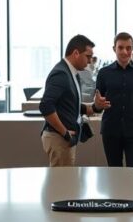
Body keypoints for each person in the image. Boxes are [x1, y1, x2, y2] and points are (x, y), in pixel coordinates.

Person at [95, 32, 133, 167]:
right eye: (120, 47)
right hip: (111, 131)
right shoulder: (104, 73)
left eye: (128, 48)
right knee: (114, 172)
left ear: (132, 49)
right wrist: (97, 105)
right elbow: (98, 104)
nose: (125, 51)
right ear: (114, 49)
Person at [40, 35, 98, 167]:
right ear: (76, 53)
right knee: (61, 185)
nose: (89, 61)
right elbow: (45, 106)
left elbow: (72, 105)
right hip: (59, 139)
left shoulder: (72, 73)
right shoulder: (61, 73)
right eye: (88, 56)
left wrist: (95, 107)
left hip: (64, 139)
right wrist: (65, 133)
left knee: (65, 183)